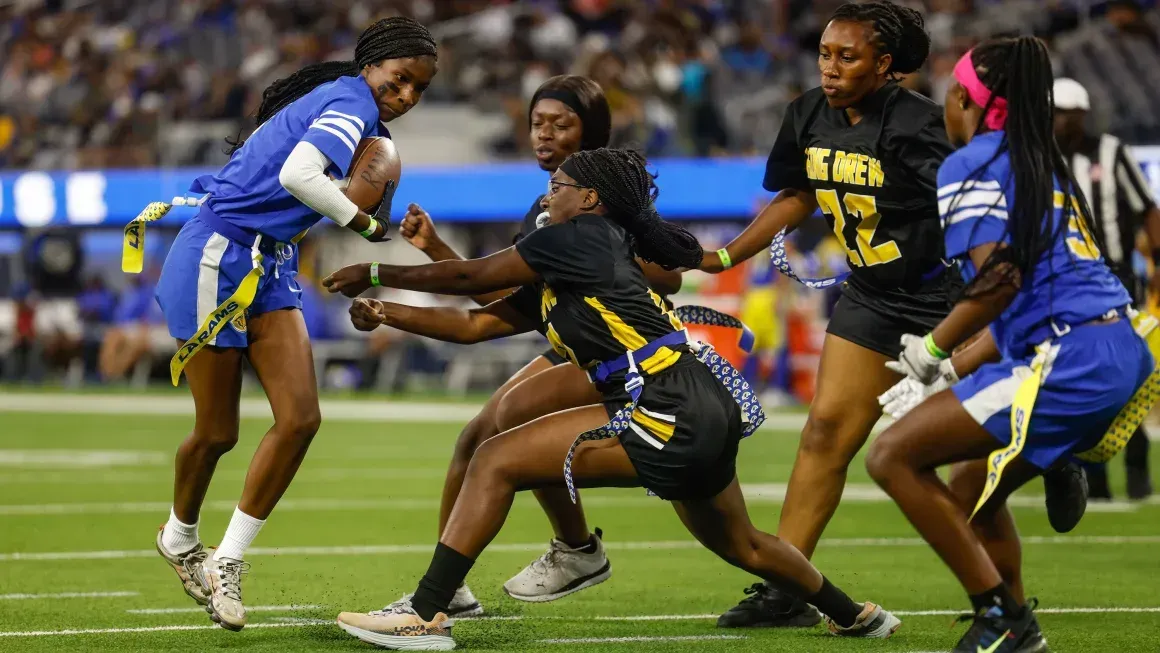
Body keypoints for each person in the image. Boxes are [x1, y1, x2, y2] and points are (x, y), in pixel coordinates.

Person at [324, 147, 901, 650]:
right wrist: (388, 312)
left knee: (495, 457)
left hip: (664, 403)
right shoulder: (577, 266)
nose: (547, 201)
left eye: (557, 190)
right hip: (695, 401)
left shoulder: (580, 237)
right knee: (745, 544)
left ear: (590, 199)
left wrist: (373, 270)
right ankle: (858, 617)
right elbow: (476, 324)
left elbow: (470, 277)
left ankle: (424, 614)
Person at [697, 1, 1088, 628]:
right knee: (825, 433)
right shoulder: (806, 113)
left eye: (846, 56)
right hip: (874, 296)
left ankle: (1037, 497)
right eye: (825, 53)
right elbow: (797, 194)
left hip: (947, 298)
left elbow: (972, 195)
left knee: (966, 456)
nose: (829, 67)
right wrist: (723, 254)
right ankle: (788, 584)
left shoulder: (921, 125)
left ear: (885, 65)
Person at [337, 75, 682, 613]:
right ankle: (457, 585)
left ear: (590, 130)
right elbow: (510, 300)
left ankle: (573, 548)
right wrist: (436, 248)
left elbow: (670, 275)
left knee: (512, 417)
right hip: (573, 344)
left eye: (560, 123)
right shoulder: (544, 208)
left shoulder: (605, 197)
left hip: (624, 348)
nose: (543, 133)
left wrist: (600, 261)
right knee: (476, 436)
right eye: (536, 122)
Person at [148, 17, 438, 631]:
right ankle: (179, 537)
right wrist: (366, 227)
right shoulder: (351, 100)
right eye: (401, 78)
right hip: (216, 253)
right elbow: (297, 177)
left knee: (302, 417)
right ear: (372, 64)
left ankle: (226, 560)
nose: (408, 95)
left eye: (420, 88)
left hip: (269, 260)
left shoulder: (358, 110)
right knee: (217, 432)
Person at [866, 36, 1153, 652]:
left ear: (966, 100)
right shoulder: (1039, 160)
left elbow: (998, 280)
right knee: (971, 488)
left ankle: (1002, 616)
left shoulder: (968, 163)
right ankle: (1016, 619)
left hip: (1066, 359)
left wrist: (933, 351)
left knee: (891, 457)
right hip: (1113, 345)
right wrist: (951, 371)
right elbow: (1027, 298)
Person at [1053, 77, 1157, 501]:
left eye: (1067, 112)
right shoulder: (1037, 158)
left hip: (1115, 282)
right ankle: (1089, 480)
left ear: (1082, 113)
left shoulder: (1111, 151)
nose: (1060, 121)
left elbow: (1147, 208)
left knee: (1126, 379)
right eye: (1055, 112)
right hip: (1062, 287)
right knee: (1078, 384)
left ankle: (1136, 470)